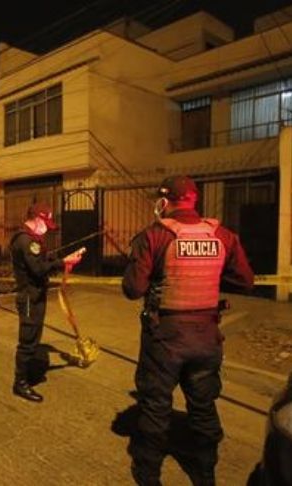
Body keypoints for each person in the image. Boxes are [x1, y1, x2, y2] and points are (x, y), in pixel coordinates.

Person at [122, 175, 254, 486]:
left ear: (164, 201)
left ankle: (148, 475)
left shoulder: (155, 235)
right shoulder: (222, 235)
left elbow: (132, 288)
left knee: (155, 407)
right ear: (194, 200)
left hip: (165, 339)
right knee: (203, 406)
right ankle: (205, 472)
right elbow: (245, 281)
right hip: (207, 337)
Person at [10, 201, 83, 403]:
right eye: (45, 223)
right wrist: (64, 263)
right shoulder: (27, 241)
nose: (46, 230)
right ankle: (20, 383)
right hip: (28, 298)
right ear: (36, 219)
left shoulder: (31, 239)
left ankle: (27, 374)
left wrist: (63, 259)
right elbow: (39, 269)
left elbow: (41, 261)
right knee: (28, 340)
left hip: (35, 295)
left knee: (34, 337)